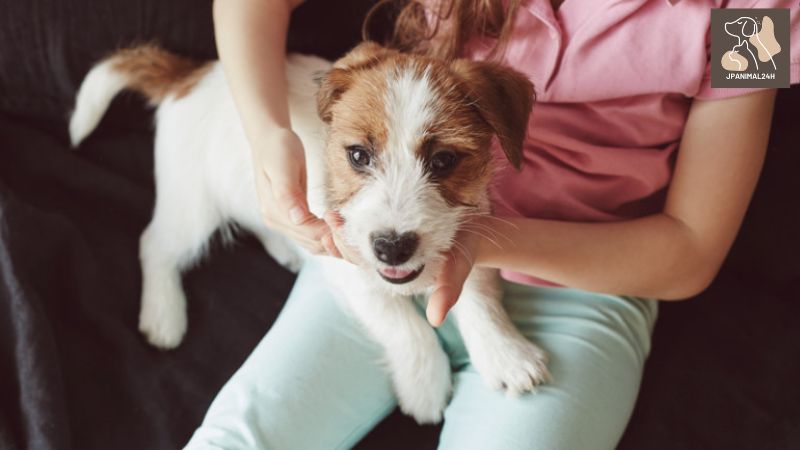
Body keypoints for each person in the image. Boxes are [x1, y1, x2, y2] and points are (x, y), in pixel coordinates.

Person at [186, 0, 799, 448]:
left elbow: (692, 251)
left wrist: (479, 243)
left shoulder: (752, 14)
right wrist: (267, 131)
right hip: (373, 264)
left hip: (586, 291)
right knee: (239, 439)